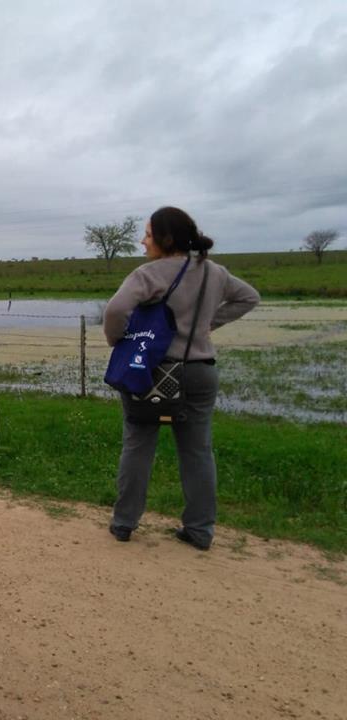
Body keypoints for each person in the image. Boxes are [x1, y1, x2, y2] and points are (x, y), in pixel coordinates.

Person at [103, 206, 260, 550]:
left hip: (152, 371)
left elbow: (115, 310)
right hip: (201, 371)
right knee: (197, 451)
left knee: (138, 445)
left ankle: (124, 523)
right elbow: (249, 297)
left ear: (165, 238)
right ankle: (200, 530)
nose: (143, 242)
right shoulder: (214, 272)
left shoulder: (148, 274)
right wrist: (208, 325)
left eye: (147, 234)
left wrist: (118, 340)